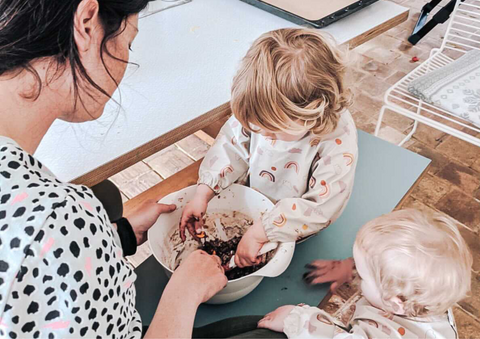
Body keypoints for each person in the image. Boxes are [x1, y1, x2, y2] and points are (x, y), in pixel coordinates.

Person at [0, 0, 227, 338]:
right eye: (129, 42)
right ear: (87, 23)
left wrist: (114, 236)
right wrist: (184, 293)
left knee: (104, 193)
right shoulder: (57, 219)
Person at [180, 28, 358, 268]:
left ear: (312, 114)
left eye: (272, 130)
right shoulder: (261, 110)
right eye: (255, 127)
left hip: (297, 227)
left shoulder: (336, 138)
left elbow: (322, 206)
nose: (262, 134)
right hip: (257, 206)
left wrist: (263, 231)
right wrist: (203, 192)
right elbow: (230, 146)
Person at [257, 209, 472, 338]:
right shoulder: (424, 298)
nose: (356, 276)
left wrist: (296, 319)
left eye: (361, 273)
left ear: (393, 303)